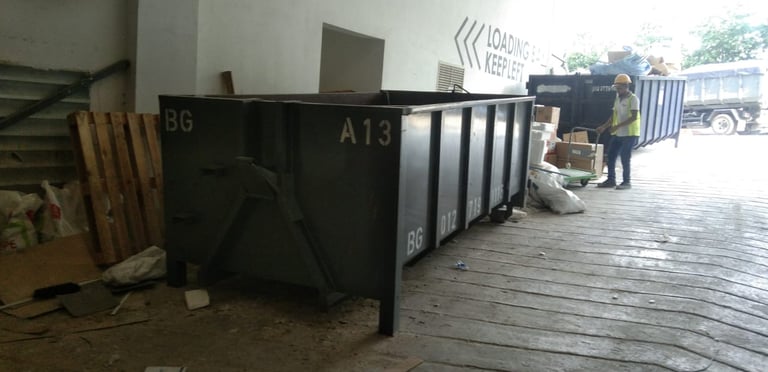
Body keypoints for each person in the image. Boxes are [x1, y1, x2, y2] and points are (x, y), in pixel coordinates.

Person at [596, 73, 640, 190]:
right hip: (618, 133)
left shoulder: (633, 99)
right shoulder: (617, 99)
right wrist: (604, 127)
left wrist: (617, 126)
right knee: (611, 155)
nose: (617, 90)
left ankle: (626, 182)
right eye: (616, 88)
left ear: (626, 86)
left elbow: (634, 117)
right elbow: (613, 116)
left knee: (625, 157)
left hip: (629, 134)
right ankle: (611, 180)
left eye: (619, 88)